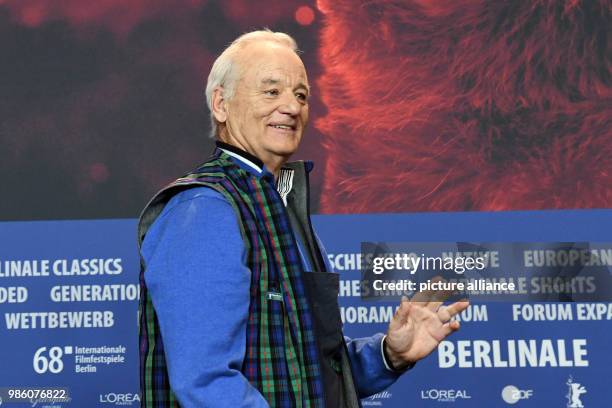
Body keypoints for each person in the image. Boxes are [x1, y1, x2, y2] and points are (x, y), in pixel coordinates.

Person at [137, 30, 469, 408]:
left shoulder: (282, 207)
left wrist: (387, 356)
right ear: (221, 104)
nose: (292, 107)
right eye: (271, 91)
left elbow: (311, 371)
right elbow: (207, 384)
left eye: (301, 95)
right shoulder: (203, 210)